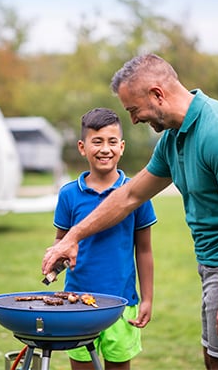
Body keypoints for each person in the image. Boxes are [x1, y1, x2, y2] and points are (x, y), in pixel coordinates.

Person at [42, 54, 218, 370]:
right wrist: (73, 236)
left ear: (157, 94)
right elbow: (129, 195)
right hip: (214, 262)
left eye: (133, 110)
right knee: (216, 359)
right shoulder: (173, 139)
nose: (135, 120)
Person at [53, 107, 156, 370]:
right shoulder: (68, 195)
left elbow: (143, 251)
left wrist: (147, 298)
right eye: (96, 141)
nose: (105, 149)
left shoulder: (136, 193)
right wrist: (54, 266)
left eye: (112, 142)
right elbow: (61, 245)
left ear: (122, 147)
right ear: (82, 147)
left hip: (122, 305)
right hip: (78, 305)